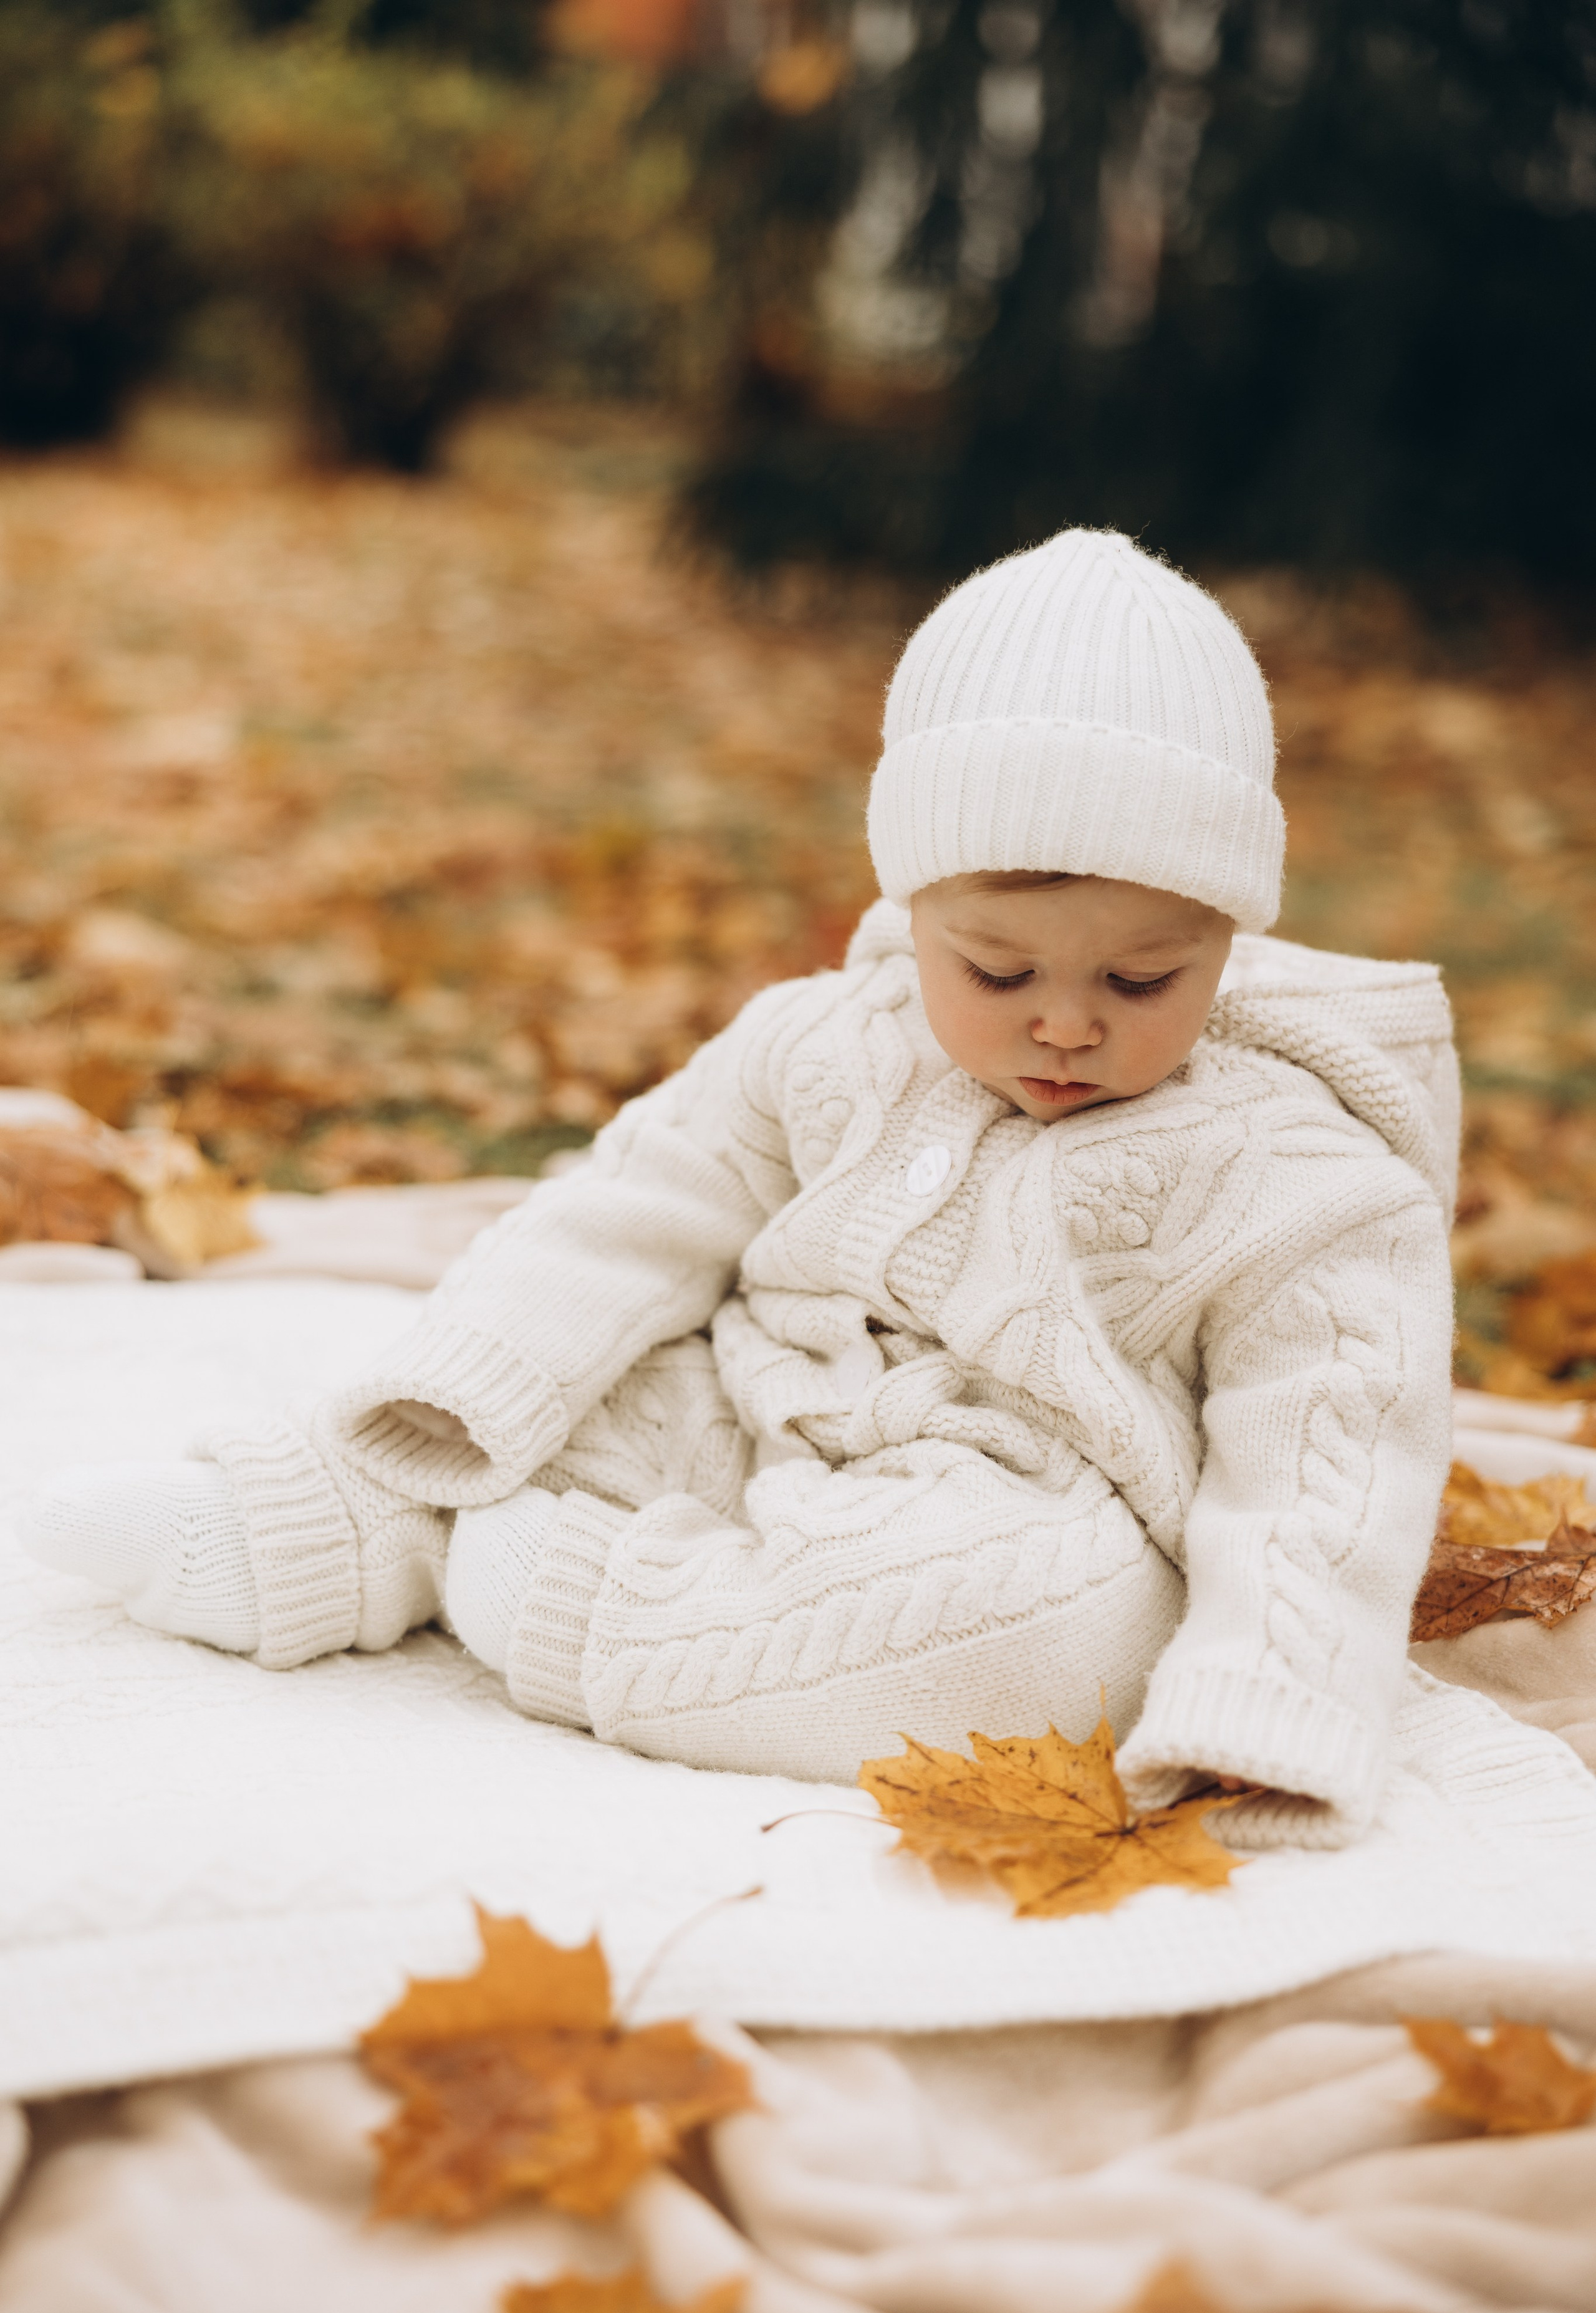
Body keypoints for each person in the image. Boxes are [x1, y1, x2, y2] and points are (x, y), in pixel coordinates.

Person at [19, 529, 1458, 1849]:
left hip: (1034, 1499)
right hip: (753, 1403)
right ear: (914, 905)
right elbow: (636, 1206)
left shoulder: (1302, 1175)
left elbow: (1328, 1451)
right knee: (580, 1387)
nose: (1064, 1024)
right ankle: (315, 1524)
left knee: (1054, 1636)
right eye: (997, 970)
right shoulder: (821, 1041)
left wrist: (1272, 1688)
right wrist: (466, 1383)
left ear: (1224, 934)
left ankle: (584, 1609)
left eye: (1142, 978)